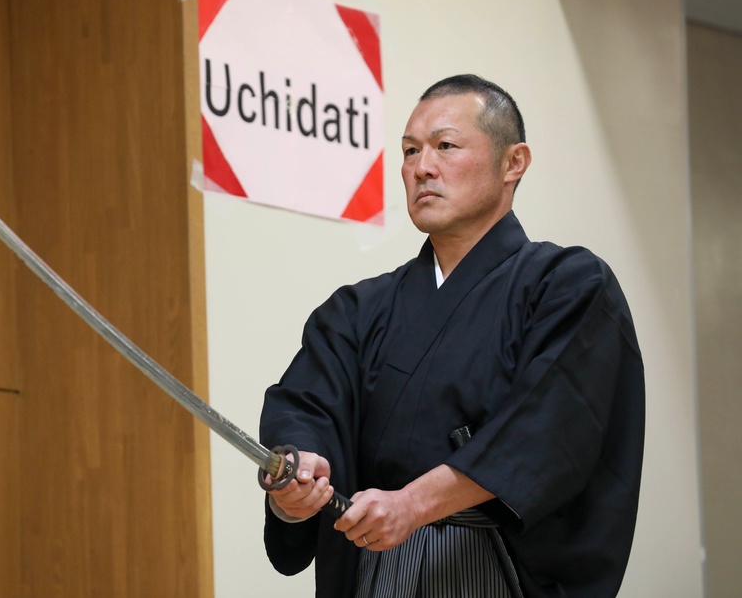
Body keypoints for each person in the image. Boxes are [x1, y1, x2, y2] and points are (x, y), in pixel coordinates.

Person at [259, 74, 645, 598]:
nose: (422, 167)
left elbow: (543, 432)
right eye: (410, 150)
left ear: (514, 163)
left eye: (445, 146)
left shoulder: (568, 285)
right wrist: (298, 480)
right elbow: (306, 406)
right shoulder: (357, 309)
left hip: (495, 569)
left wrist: (414, 505)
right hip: (372, 566)